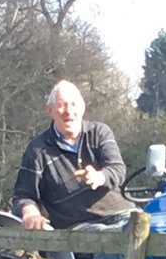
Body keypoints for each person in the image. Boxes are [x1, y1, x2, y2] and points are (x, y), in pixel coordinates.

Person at [12, 80, 136, 230]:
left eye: (73, 104)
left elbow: (117, 169)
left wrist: (100, 176)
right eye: (62, 105)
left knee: (154, 230)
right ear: (50, 110)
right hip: (79, 227)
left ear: (83, 107)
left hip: (123, 214)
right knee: (111, 240)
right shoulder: (37, 151)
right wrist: (30, 212)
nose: (69, 111)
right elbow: (23, 195)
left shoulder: (99, 132)